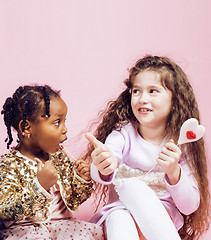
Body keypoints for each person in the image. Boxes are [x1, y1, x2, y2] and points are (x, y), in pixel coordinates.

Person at [84, 55, 210, 239]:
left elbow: (189, 206)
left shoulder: (180, 143)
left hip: (160, 223)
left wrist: (174, 172)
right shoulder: (123, 134)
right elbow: (105, 162)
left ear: (175, 100)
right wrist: (104, 164)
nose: (142, 98)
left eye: (153, 91)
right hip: (121, 216)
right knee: (119, 214)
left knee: (132, 186)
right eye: (136, 91)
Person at [0, 85, 104, 240]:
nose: (65, 129)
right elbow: (5, 210)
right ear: (26, 127)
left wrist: (82, 179)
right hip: (25, 231)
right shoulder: (8, 166)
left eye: (64, 121)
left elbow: (74, 199)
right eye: (57, 122)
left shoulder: (59, 158)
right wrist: (40, 186)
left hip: (64, 227)